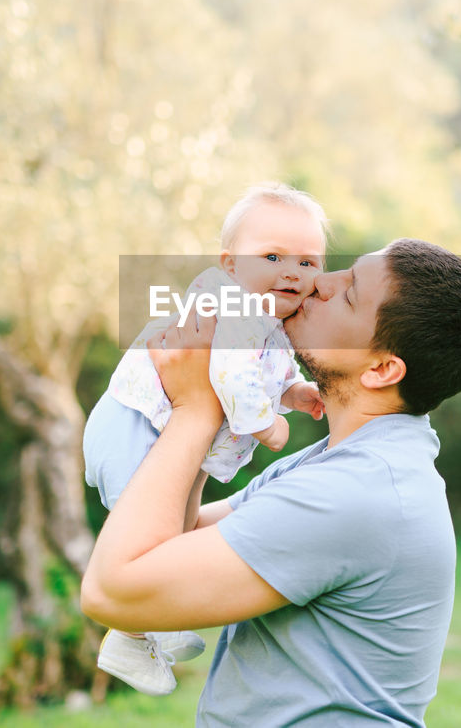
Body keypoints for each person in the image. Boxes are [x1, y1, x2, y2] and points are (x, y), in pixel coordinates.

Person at [81, 238, 461, 725]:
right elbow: (178, 537)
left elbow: (113, 592)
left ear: (383, 369)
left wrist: (195, 411)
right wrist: (210, 390)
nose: (319, 282)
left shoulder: (353, 494)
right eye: (340, 272)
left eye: (347, 294)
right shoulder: (335, 464)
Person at [82, 183, 328, 695]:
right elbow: (235, 376)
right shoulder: (233, 304)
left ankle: (154, 626)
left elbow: (263, 371)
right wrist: (267, 424)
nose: (293, 272)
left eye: (308, 262)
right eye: (274, 256)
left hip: (161, 431)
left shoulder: (268, 320)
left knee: (181, 529)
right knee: (149, 547)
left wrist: (295, 392)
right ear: (231, 264)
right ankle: (128, 634)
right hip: (135, 428)